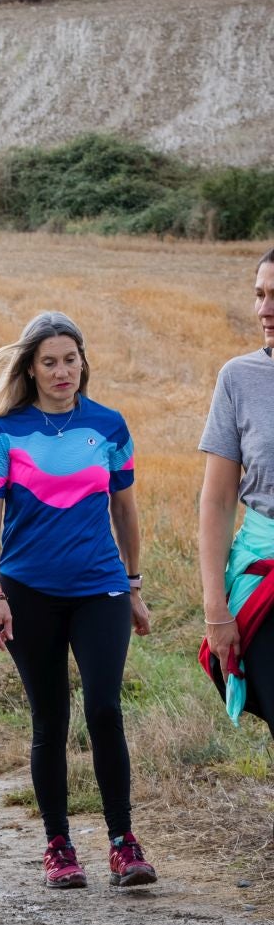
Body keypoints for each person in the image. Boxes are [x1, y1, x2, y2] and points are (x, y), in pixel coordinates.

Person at [0, 310, 157, 891]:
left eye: (70, 360)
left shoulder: (109, 425)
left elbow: (125, 510)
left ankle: (124, 843)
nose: (61, 371)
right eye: (49, 362)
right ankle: (58, 845)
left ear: (83, 363)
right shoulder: (5, 431)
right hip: (28, 593)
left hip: (100, 586)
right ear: (31, 366)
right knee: (50, 718)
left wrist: (134, 586)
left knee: (104, 708)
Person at [197, 246, 274, 737]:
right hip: (263, 580)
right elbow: (219, 500)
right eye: (260, 295)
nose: (265, 310)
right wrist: (215, 609)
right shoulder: (239, 378)